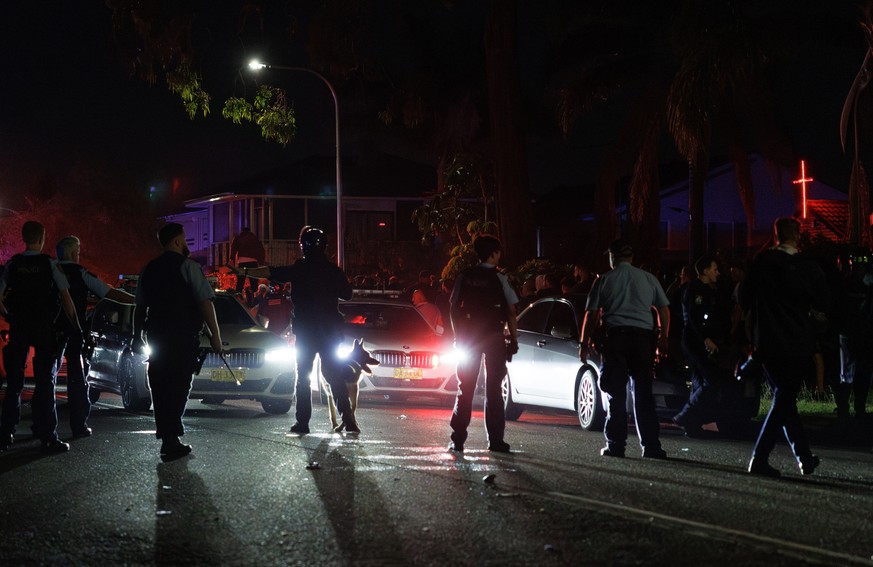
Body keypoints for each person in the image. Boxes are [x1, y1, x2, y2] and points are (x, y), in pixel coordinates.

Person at [238, 226, 354, 434]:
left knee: (304, 377)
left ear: (304, 247)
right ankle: (349, 420)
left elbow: (272, 272)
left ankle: (303, 423)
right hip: (329, 333)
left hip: (306, 333)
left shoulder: (299, 269)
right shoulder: (332, 270)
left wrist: (245, 272)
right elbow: (348, 294)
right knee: (334, 375)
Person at [739, 217, 829, 478]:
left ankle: (804, 457)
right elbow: (823, 301)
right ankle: (760, 457)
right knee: (785, 397)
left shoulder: (761, 263)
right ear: (797, 236)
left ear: (775, 235)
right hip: (797, 340)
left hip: (766, 342)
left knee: (785, 398)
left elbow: (744, 298)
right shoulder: (807, 267)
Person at [132, 223, 222, 460]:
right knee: (180, 385)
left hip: (158, 338)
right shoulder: (188, 267)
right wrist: (216, 337)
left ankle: (168, 436)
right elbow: (205, 302)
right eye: (184, 240)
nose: (186, 244)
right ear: (175, 242)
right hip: (182, 338)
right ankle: (171, 438)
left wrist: (136, 335)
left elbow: (140, 307)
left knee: (160, 386)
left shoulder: (149, 269)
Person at [579, 239, 670, 459]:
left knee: (615, 393)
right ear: (631, 257)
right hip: (643, 341)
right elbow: (663, 309)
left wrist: (584, 343)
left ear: (612, 257)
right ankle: (651, 446)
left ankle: (616, 445)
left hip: (616, 340)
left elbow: (591, 314)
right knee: (643, 394)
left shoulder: (604, 280)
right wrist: (663, 337)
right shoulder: (648, 279)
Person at [0, 221, 81, 453]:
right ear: (43, 238)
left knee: (14, 383)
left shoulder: (13, 264)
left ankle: (5, 435)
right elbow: (66, 299)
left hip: (19, 327)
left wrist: (9, 315)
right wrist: (75, 327)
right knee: (45, 382)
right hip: (44, 328)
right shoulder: (50, 264)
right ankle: (48, 436)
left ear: (24, 237)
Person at [55, 235, 135, 437]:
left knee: (46, 380)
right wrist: (138, 301)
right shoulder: (81, 273)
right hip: (74, 330)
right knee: (77, 380)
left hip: (50, 331)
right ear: (74, 253)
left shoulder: (50, 270)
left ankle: (43, 427)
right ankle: (78, 425)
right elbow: (109, 293)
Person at [448, 234, 519, 453]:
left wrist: (457, 336)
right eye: (499, 252)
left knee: (465, 387)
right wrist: (513, 339)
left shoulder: (464, 275)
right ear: (494, 253)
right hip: (494, 337)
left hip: (468, 339)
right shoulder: (500, 278)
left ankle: (458, 438)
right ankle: (496, 441)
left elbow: (453, 307)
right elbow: (511, 311)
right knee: (494, 389)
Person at [672, 254, 733, 437]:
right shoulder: (694, 290)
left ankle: (692, 424)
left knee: (699, 382)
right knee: (711, 381)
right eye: (714, 269)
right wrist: (706, 339)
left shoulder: (708, 289)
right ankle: (685, 415)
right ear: (705, 270)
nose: (718, 273)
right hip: (695, 342)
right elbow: (694, 319)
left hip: (699, 341)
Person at [832, 249, 873, 425]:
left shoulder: (849, 285)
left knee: (853, 374)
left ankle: (853, 409)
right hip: (851, 335)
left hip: (856, 336)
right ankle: (850, 409)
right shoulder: (854, 286)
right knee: (850, 374)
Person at [230, 227, 266, 293]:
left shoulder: (238, 237)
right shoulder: (254, 238)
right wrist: (261, 262)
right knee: (254, 282)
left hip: (242, 262)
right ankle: (254, 297)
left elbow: (234, 248)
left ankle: (239, 297)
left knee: (240, 282)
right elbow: (261, 250)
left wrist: (232, 259)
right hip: (253, 262)